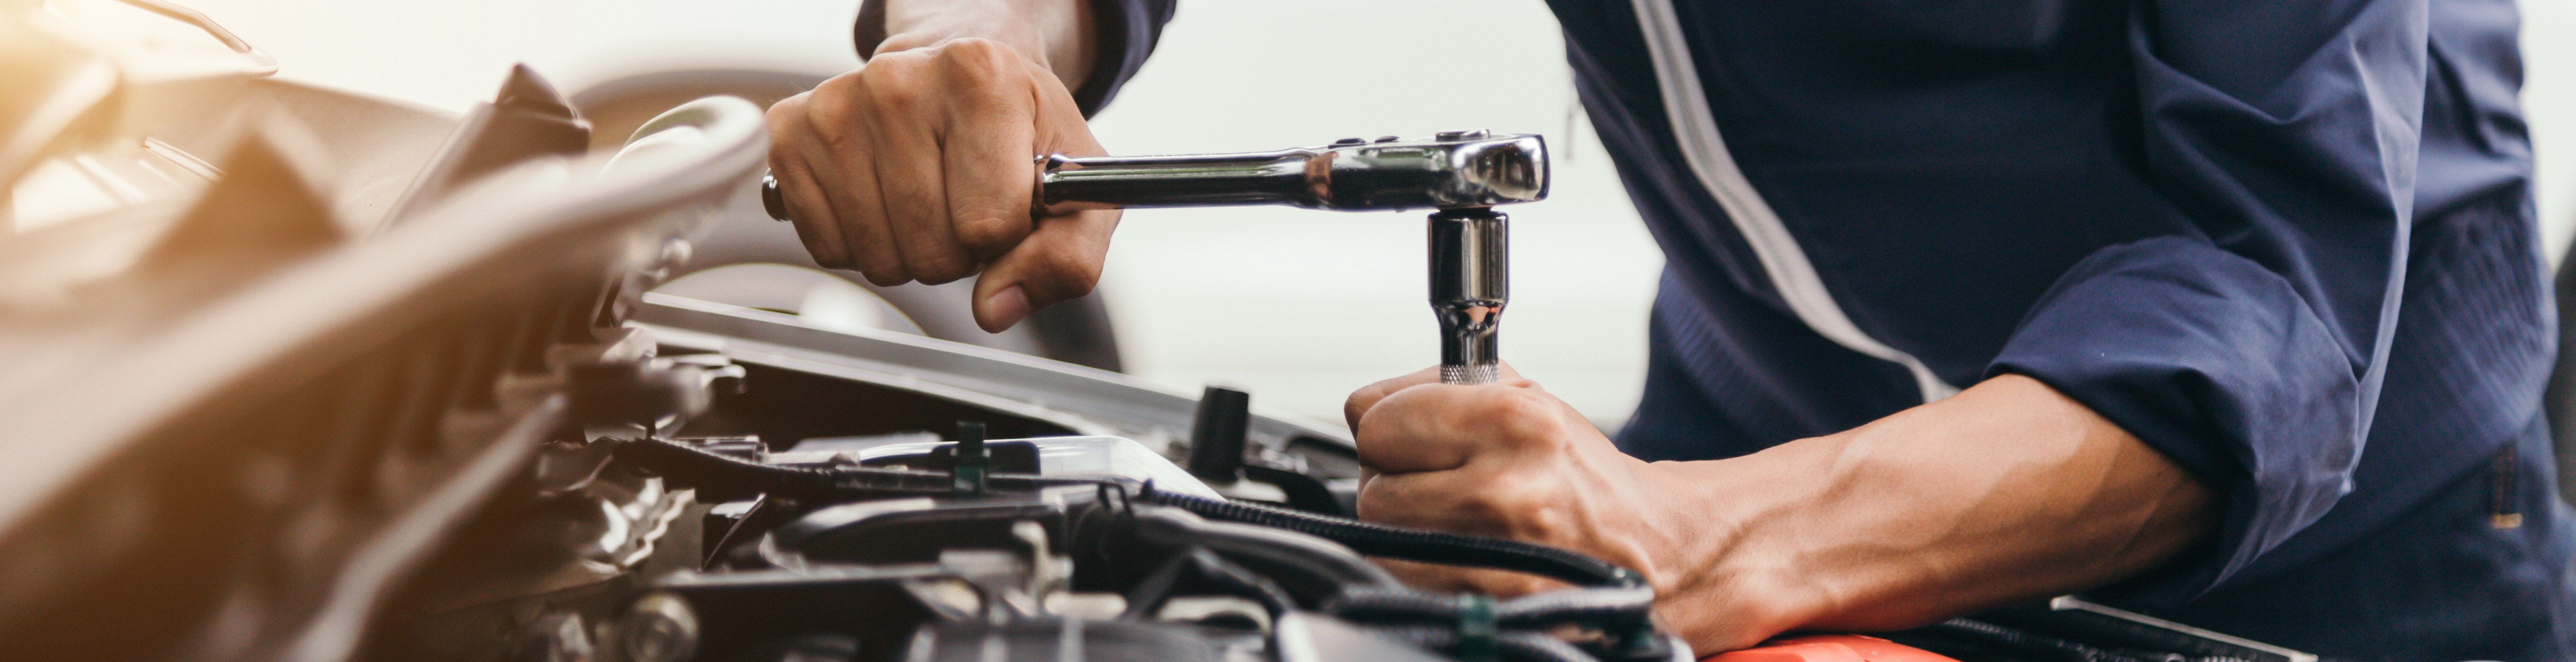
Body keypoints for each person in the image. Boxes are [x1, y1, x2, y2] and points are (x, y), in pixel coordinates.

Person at [761, 0, 2575, 658]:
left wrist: (1704, 535)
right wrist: (977, 48)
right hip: (1744, 422)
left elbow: (2276, 284)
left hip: (2346, 551)